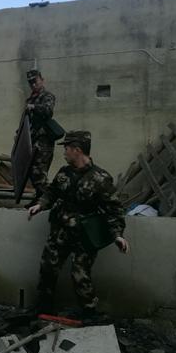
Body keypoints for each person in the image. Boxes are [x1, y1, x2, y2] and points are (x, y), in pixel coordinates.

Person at [28, 130, 128, 316]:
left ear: (77, 150)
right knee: (48, 267)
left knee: (79, 274)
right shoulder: (63, 173)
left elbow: (113, 209)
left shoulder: (101, 178)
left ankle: (90, 312)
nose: (64, 152)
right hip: (60, 231)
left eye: (66, 148)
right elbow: (51, 192)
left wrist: (118, 235)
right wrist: (40, 205)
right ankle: (43, 307)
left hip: (84, 235)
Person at [24, 69, 56, 200]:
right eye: (30, 83)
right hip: (32, 141)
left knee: (39, 172)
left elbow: (48, 111)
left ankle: (47, 200)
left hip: (44, 141)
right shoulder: (30, 99)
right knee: (32, 172)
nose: (33, 85)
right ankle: (39, 199)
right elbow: (26, 122)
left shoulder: (47, 96)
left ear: (42, 80)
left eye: (35, 81)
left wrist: (33, 107)